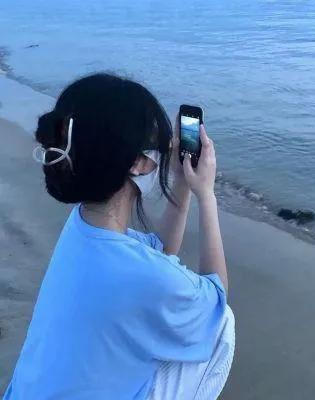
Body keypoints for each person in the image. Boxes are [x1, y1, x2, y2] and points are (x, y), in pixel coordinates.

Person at [3, 73, 234, 400]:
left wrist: (182, 185)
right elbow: (216, 301)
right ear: (140, 163)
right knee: (223, 325)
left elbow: (160, 253)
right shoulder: (138, 273)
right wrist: (207, 195)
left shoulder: (82, 225)